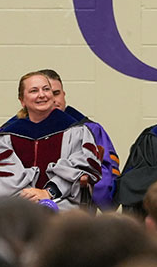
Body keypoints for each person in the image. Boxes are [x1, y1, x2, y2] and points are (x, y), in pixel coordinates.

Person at [0, 71, 102, 210]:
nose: (42, 95)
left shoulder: (77, 131)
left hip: (62, 203)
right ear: (22, 100)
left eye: (46, 89)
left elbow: (81, 166)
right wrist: (31, 197)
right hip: (20, 206)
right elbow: (3, 174)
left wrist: (48, 192)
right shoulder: (6, 137)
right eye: (34, 91)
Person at [38, 69, 120, 210]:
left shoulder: (90, 130)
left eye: (56, 93)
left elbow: (106, 176)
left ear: (64, 95)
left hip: (74, 211)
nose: (52, 100)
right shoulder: (13, 133)